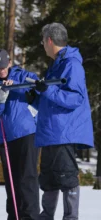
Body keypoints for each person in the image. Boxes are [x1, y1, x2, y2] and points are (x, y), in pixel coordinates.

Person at [30, 22, 94, 220]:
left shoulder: (71, 64)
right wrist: (34, 97)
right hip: (50, 132)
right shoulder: (56, 65)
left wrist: (47, 90)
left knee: (66, 177)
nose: (42, 45)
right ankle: (46, 216)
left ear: (49, 40)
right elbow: (51, 101)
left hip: (63, 132)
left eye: (43, 41)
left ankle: (70, 217)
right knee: (48, 179)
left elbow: (75, 98)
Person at [0, 49, 40, 220]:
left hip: (26, 133)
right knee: (12, 181)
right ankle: (14, 216)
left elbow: (36, 85)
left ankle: (30, 216)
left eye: (3, 67)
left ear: (9, 63)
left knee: (27, 178)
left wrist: (35, 86)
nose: (1, 71)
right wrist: (1, 97)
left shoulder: (22, 76)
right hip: (5, 138)